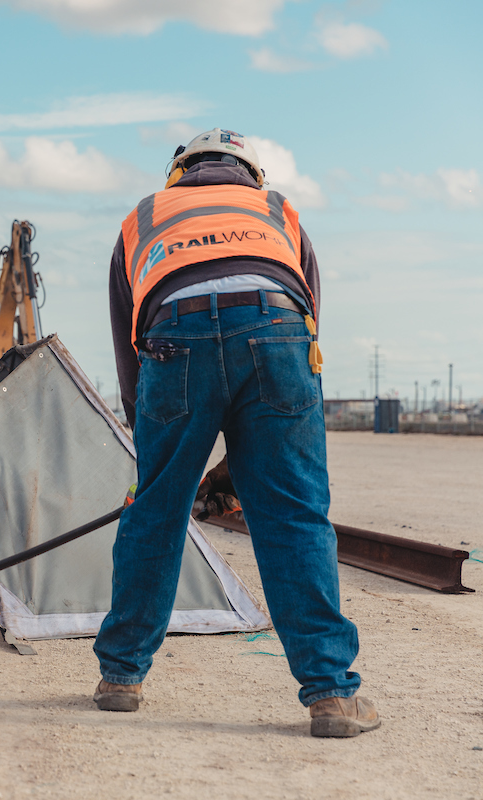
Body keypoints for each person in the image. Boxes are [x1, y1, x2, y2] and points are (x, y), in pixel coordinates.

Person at [95, 129, 380, 738]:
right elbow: (308, 321)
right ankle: (330, 695)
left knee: (156, 512)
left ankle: (121, 676)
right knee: (295, 517)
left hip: (173, 337)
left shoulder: (142, 217)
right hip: (277, 332)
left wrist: (152, 439)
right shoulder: (278, 212)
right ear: (253, 174)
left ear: (178, 173)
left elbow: (128, 339)